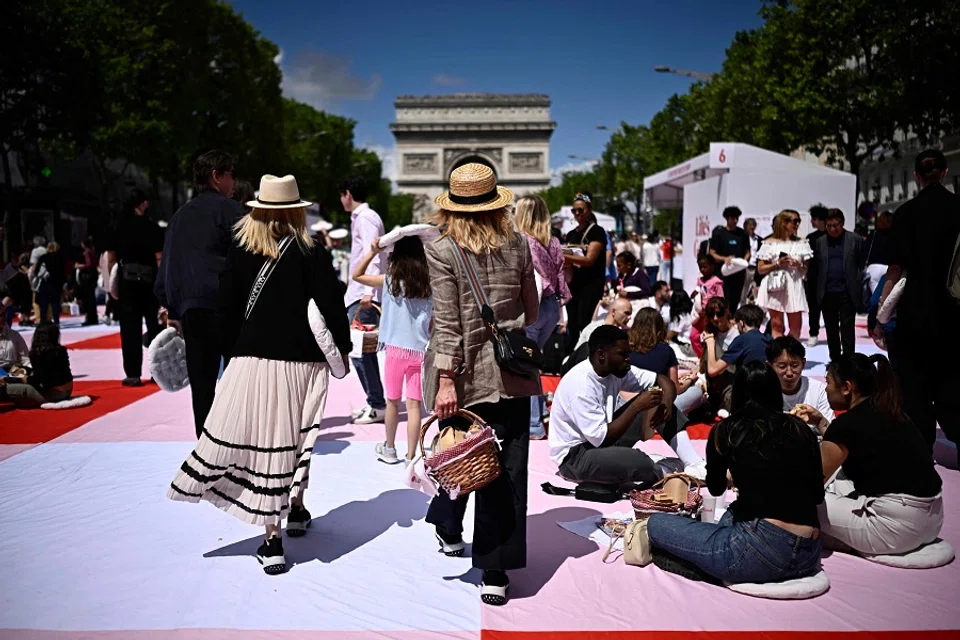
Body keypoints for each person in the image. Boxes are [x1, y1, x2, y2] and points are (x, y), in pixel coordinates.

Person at [168, 174, 351, 576]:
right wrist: (344, 348)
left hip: (251, 355)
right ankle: (297, 507)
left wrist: (237, 348)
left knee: (265, 442)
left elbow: (227, 308)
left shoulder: (241, 247)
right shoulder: (311, 251)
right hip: (302, 360)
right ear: (296, 210)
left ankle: (272, 541)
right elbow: (332, 306)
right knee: (297, 437)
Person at [424, 163, 539, 606]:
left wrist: (447, 380)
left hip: (464, 371)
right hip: (510, 372)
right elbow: (530, 311)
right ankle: (495, 567)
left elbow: (448, 323)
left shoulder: (442, 250)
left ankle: (448, 524)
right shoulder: (519, 245)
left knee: (459, 451)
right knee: (506, 468)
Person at [646, 361, 823, 585]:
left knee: (656, 524)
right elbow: (817, 495)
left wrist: (734, 474)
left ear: (737, 393)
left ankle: (705, 565)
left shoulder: (727, 431)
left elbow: (717, 487)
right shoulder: (800, 429)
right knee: (733, 512)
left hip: (759, 549)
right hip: (809, 552)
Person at [792, 354, 942, 556]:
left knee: (791, 504)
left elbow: (810, 482)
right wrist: (820, 422)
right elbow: (849, 446)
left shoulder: (848, 424)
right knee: (840, 483)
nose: (826, 388)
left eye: (828, 382)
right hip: (933, 521)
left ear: (846, 387)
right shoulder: (891, 411)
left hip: (896, 529)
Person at [549, 325, 706, 488]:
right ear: (601, 355)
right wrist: (636, 406)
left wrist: (665, 403)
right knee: (638, 461)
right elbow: (601, 439)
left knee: (657, 398)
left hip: (604, 442)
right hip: (576, 458)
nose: (628, 359)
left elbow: (662, 380)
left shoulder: (616, 370)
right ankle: (662, 470)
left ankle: (694, 464)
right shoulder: (581, 386)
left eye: (628, 353)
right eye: (622, 354)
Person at [155, 151, 244, 436]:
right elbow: (250, 259)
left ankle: (205, 449)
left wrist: (170, 307)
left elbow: (169, 264)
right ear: (217, 176)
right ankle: (237, 441)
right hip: (229, 309)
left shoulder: (179, 216)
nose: (235, 181)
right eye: (231, 173)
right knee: (237, 381)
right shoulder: (232, 211)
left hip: (193, 311)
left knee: (202, 385)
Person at [880, 149, 960, 456]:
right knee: (954, 378)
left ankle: (920, 447)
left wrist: (881, 312)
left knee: (916, 385)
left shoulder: (905, 213)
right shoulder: (958, 208)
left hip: (916, 310)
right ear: (944, 172)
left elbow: (895, 269)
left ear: (916, 176)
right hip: (955, 311)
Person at [352, 234, 433, 464]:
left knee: (393, 402)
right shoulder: (429, 283)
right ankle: (411, 456)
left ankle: (389, 448)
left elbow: (356, 275)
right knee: (415, 404)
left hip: (395, 350)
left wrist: (373, 252)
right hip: (419, 350)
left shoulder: (389, 281)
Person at [516, 194, 571, 440]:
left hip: (532, 307)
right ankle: (536, 418)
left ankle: (533, 424)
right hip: (551, 306)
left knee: (525, 366)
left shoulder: (523, 241)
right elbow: (561, 278)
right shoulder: (554, 241)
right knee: (533, 364)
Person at [341, 176, 387, 425]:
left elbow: (374, 253)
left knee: (360, 351)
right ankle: (374, 401)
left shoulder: (366, 218)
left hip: (363, 294)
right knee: (362, 351)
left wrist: (369, 292)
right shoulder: (363, 218)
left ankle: (377, 404)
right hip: (359, 292)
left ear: (348, 193)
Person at [108, 189, 164, 386]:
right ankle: (158, 372)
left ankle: (132, 373)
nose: (147, 204)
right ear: (139, 205)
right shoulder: (152, 228)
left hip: (127, 283)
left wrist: (111, 284)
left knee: (129, 329)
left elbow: (111, 258)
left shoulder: (119, 227)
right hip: (150, 283)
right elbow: (159, 258)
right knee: (155, 328)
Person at [629, 308, 703, 416]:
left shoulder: (627, 349)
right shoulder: (666, 350)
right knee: (696, 391)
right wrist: (690, 380)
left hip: (630, 402)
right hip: (655, 402)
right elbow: (675, 389)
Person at [812, 209, 863, 362]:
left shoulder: (855, 239)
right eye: (829, 226)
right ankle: (835, 362)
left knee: (847, 330)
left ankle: (848, 362)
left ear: (842, 224)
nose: (833, 229)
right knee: (831, 329)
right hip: (827, 292)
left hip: (847, 292)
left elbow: (860, 264)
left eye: (836, 225)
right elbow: (817, 267)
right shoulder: (820, 242)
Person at [755, 210, 812, 338]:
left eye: (799, 221)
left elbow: (806, 270)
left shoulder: (802, 243)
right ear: (784, 222)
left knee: (796, 327)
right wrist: (777, 264)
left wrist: (799, 265)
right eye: (794, 221)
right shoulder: (769, 243)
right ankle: (779, 355)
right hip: (775, 284)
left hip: (795, 284)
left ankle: (792, 354)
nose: (797, 224)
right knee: (776, 325)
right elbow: (760, 269)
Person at [563, 193, 607, 351]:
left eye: (580, 210)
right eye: (574, 211)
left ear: (589, 210)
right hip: (573, 285)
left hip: (591, 285)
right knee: (572, 324)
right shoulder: (571, 234)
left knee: (585, 323)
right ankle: (571, 357)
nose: (577, 214)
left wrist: (565, 256)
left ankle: (589, 355)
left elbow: (589, 260)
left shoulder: (597, 232)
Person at [0, 321, 73, 408]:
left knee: (4, 389)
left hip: (52, 394)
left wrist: (20, 379)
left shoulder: (38, 353)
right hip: (67, 390)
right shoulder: (61, 350)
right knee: (13, 370)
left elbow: (38, 380)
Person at [709, 206, 751, 310]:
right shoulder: (719, 234)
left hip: (738, 273)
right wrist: (724, 259)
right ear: (727, 219)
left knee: (735, 299)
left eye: (737, 218)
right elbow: (712, 253)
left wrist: (743, 262)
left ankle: (731, 319)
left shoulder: (742, 234)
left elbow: (747, 252)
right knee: (723, 299)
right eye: (732, 218)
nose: (735, 221)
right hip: (723, 272)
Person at [804, 205, 828, 347]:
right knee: (813, 308)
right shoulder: (811, 238)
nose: (812, 222)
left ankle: (833, 335)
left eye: (813, 219)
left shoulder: (831, 236)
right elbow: (807, 258)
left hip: (829, 278)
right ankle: (813, 334)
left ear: (818, 219)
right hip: (813, 277)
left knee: (830, 308)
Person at [32, 242, 65, 325]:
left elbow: (36, 271)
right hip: (56, 284)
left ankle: (43, 322)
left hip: (44, 283)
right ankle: (56, 321)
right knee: (55, 304)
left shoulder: (43, 257)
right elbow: (63, 273)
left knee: (44, 304)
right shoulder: (60, 258)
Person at [863, 211, 893, 295]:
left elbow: (865, 250)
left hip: (874, 268)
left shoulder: (873, 235)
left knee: (874, 296)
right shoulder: (895, 236)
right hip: (890, 269)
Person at [78, 238, 99, 325]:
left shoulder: (86, 253)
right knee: (92, 298)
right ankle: (93, 317)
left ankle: (89, 318)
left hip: (87, 278)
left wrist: (79, 266)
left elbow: (89, 264)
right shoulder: (93, 252)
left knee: (87, 298)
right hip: (93, 276)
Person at [741, 218, 762, 304]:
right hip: (745, 268)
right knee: (744, 291)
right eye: (750, 225)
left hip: (756, 268)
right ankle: (742, 309)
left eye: (753, 225)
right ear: (745, 226)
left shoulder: (759, 239)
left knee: (757, 291)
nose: (752, 227)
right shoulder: (742, 238)